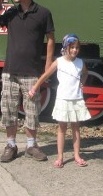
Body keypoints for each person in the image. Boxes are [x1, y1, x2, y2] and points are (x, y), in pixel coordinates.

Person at [0, 0, 55, 163]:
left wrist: (48, 66)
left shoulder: (43, 13)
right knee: (8, 109)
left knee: (32, 110)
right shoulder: (11, 13)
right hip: (9, 70)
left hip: (32, 71)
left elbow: (50, 39)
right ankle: (11, 145)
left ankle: (32, 145)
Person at [30, 34, 91, 168]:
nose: (75, 50)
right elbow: (46, 75)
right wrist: (35, 87)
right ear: (66, 47)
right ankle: (60, 157)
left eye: (77, 48)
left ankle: (76, 155)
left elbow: (85, 73)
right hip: (63, 99)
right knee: (62, 128)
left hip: (76, 99)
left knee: (76, 128)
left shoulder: (80, 63)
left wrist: (83, 83)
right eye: (72, 47)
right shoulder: (59, 61)